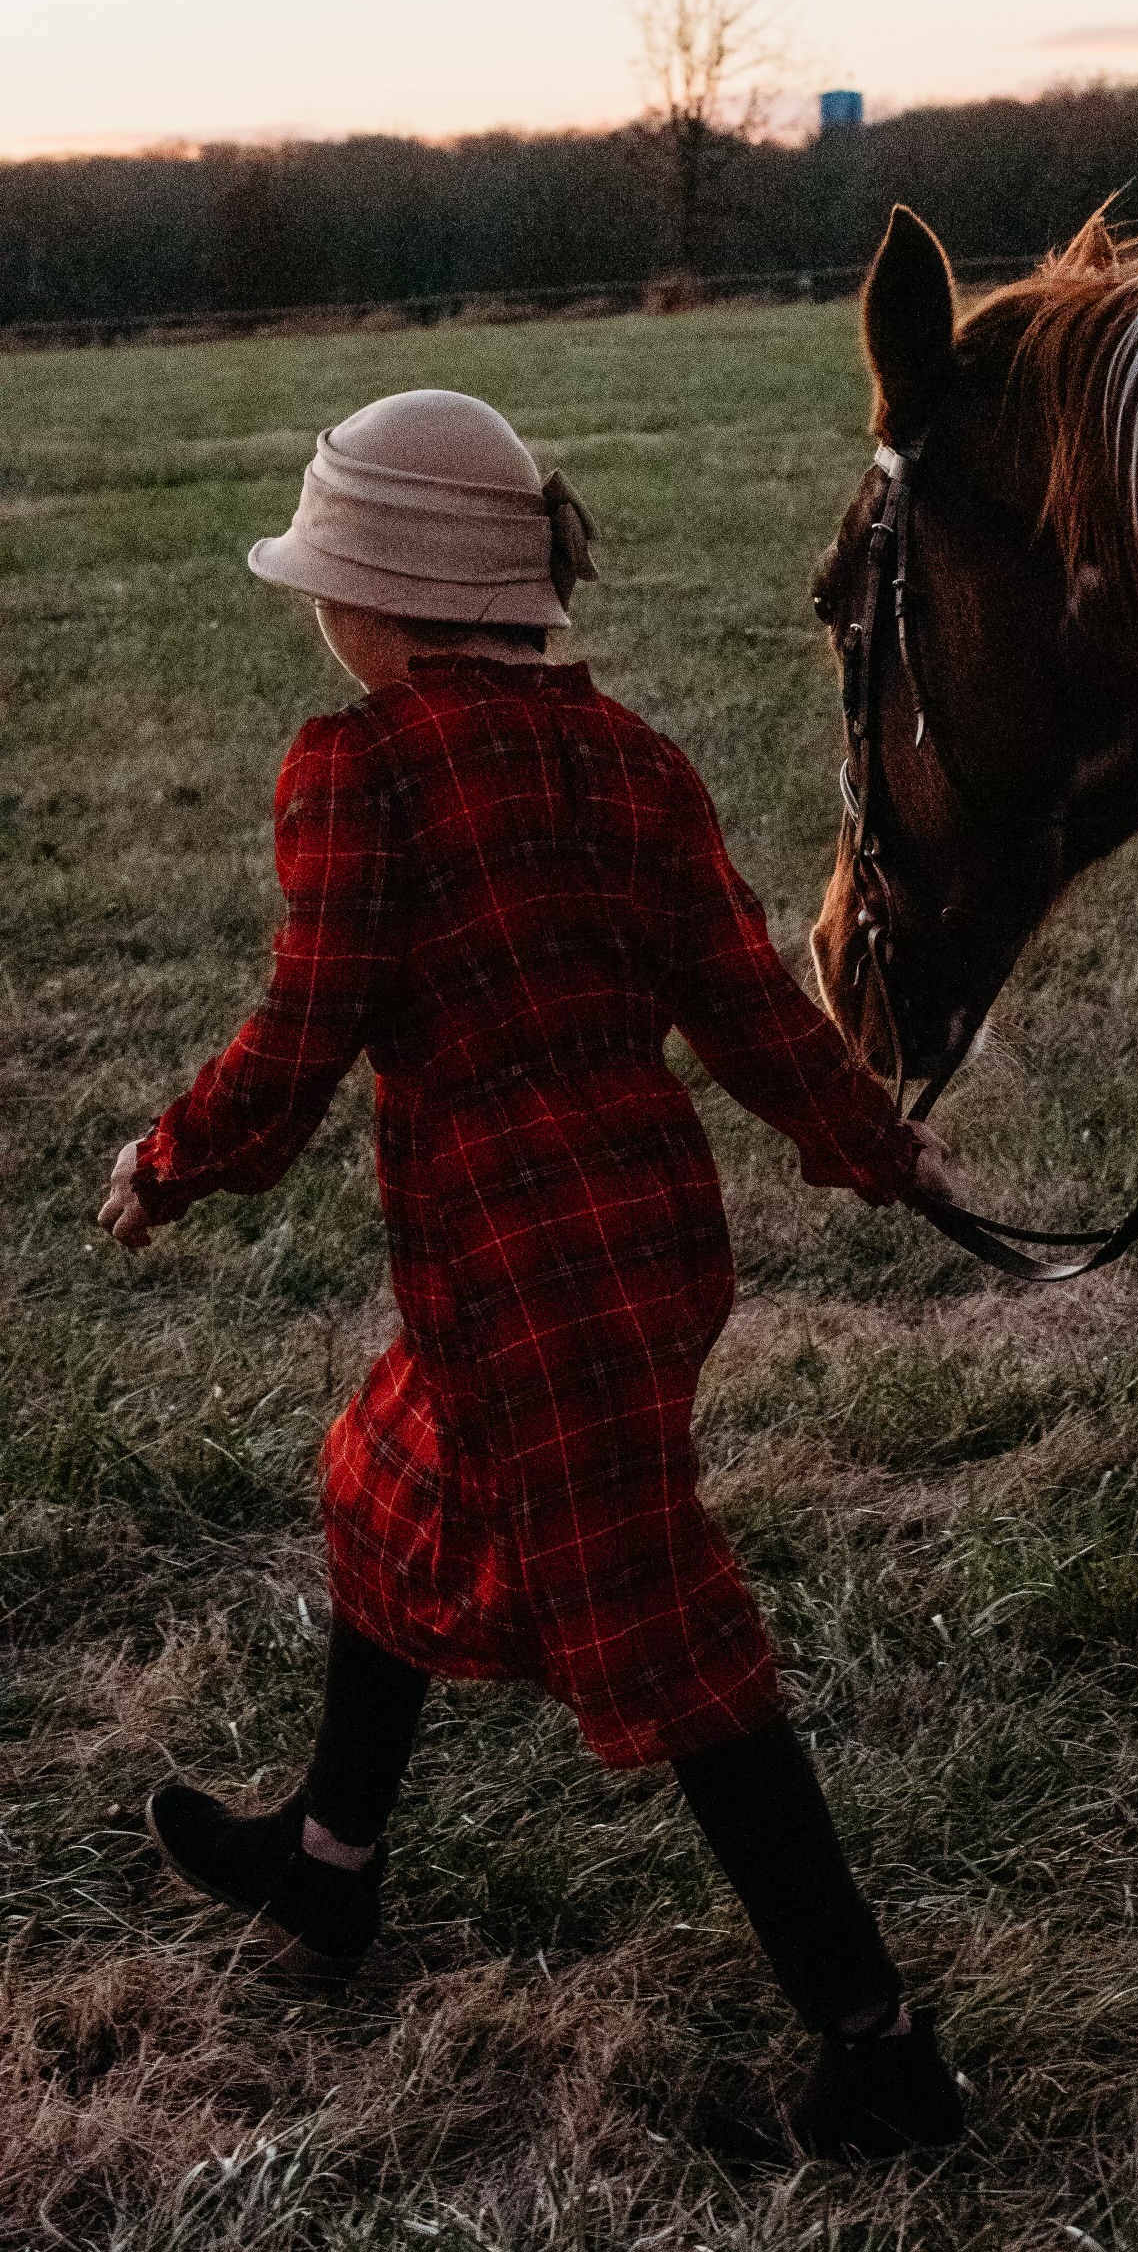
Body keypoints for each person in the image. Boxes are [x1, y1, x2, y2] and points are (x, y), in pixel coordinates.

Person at [97, 389, 963, 2165]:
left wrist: (168, 1157)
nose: (318, 616)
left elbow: (303, 1030)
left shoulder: (365, 769)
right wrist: (883, 1141)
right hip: (639, 1249)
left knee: (677, 1643)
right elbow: (747, 1007)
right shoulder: (633, 759)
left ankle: (883, 2057)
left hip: (518, 1285)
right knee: (387, 1489)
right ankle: (329, 1868)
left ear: (380, 598)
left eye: (326, 580)